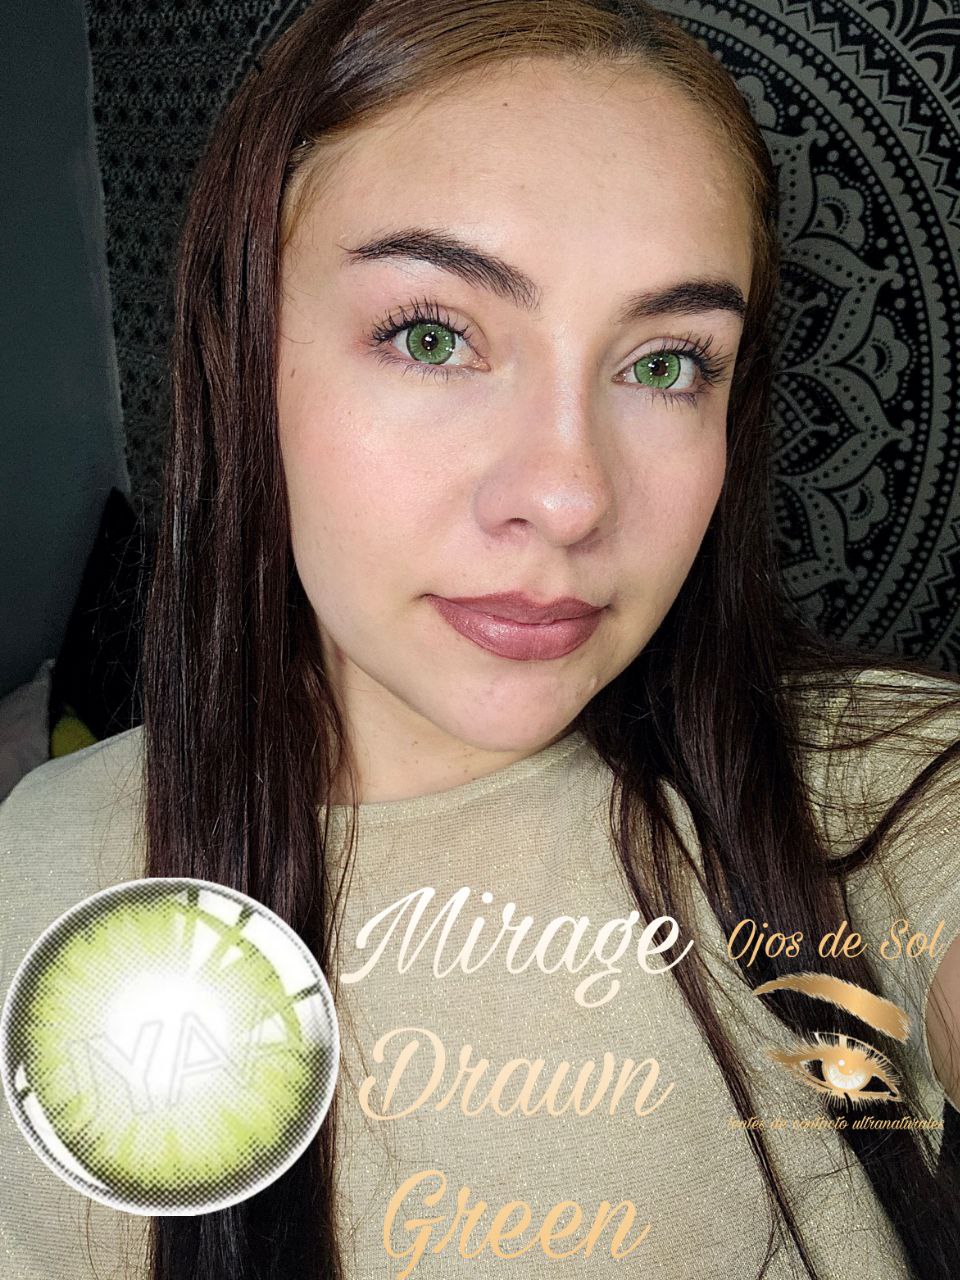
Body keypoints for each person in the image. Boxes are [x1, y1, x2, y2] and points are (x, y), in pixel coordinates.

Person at [1, 1, 959, 1277]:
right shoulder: (39, 870)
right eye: (433, 336)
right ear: (245, 361)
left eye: (667, 364)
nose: (568, 497)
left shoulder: (873, 784)